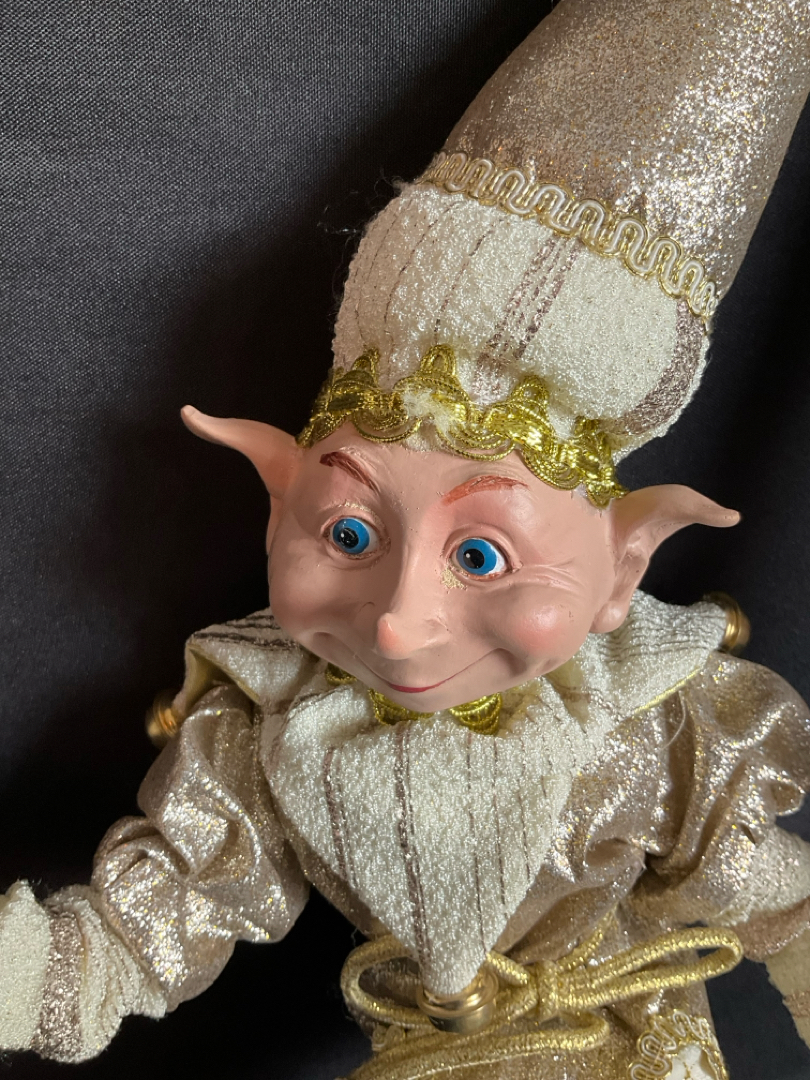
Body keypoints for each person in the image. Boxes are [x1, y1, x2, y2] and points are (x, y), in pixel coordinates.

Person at [1, 0, 809, 1076]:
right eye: (348, 532)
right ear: (276, 498)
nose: (396, 623)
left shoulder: (655, 723)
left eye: (481, 556)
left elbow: (777, 906)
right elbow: (145, 932)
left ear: (625, 565)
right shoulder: (276, 730)